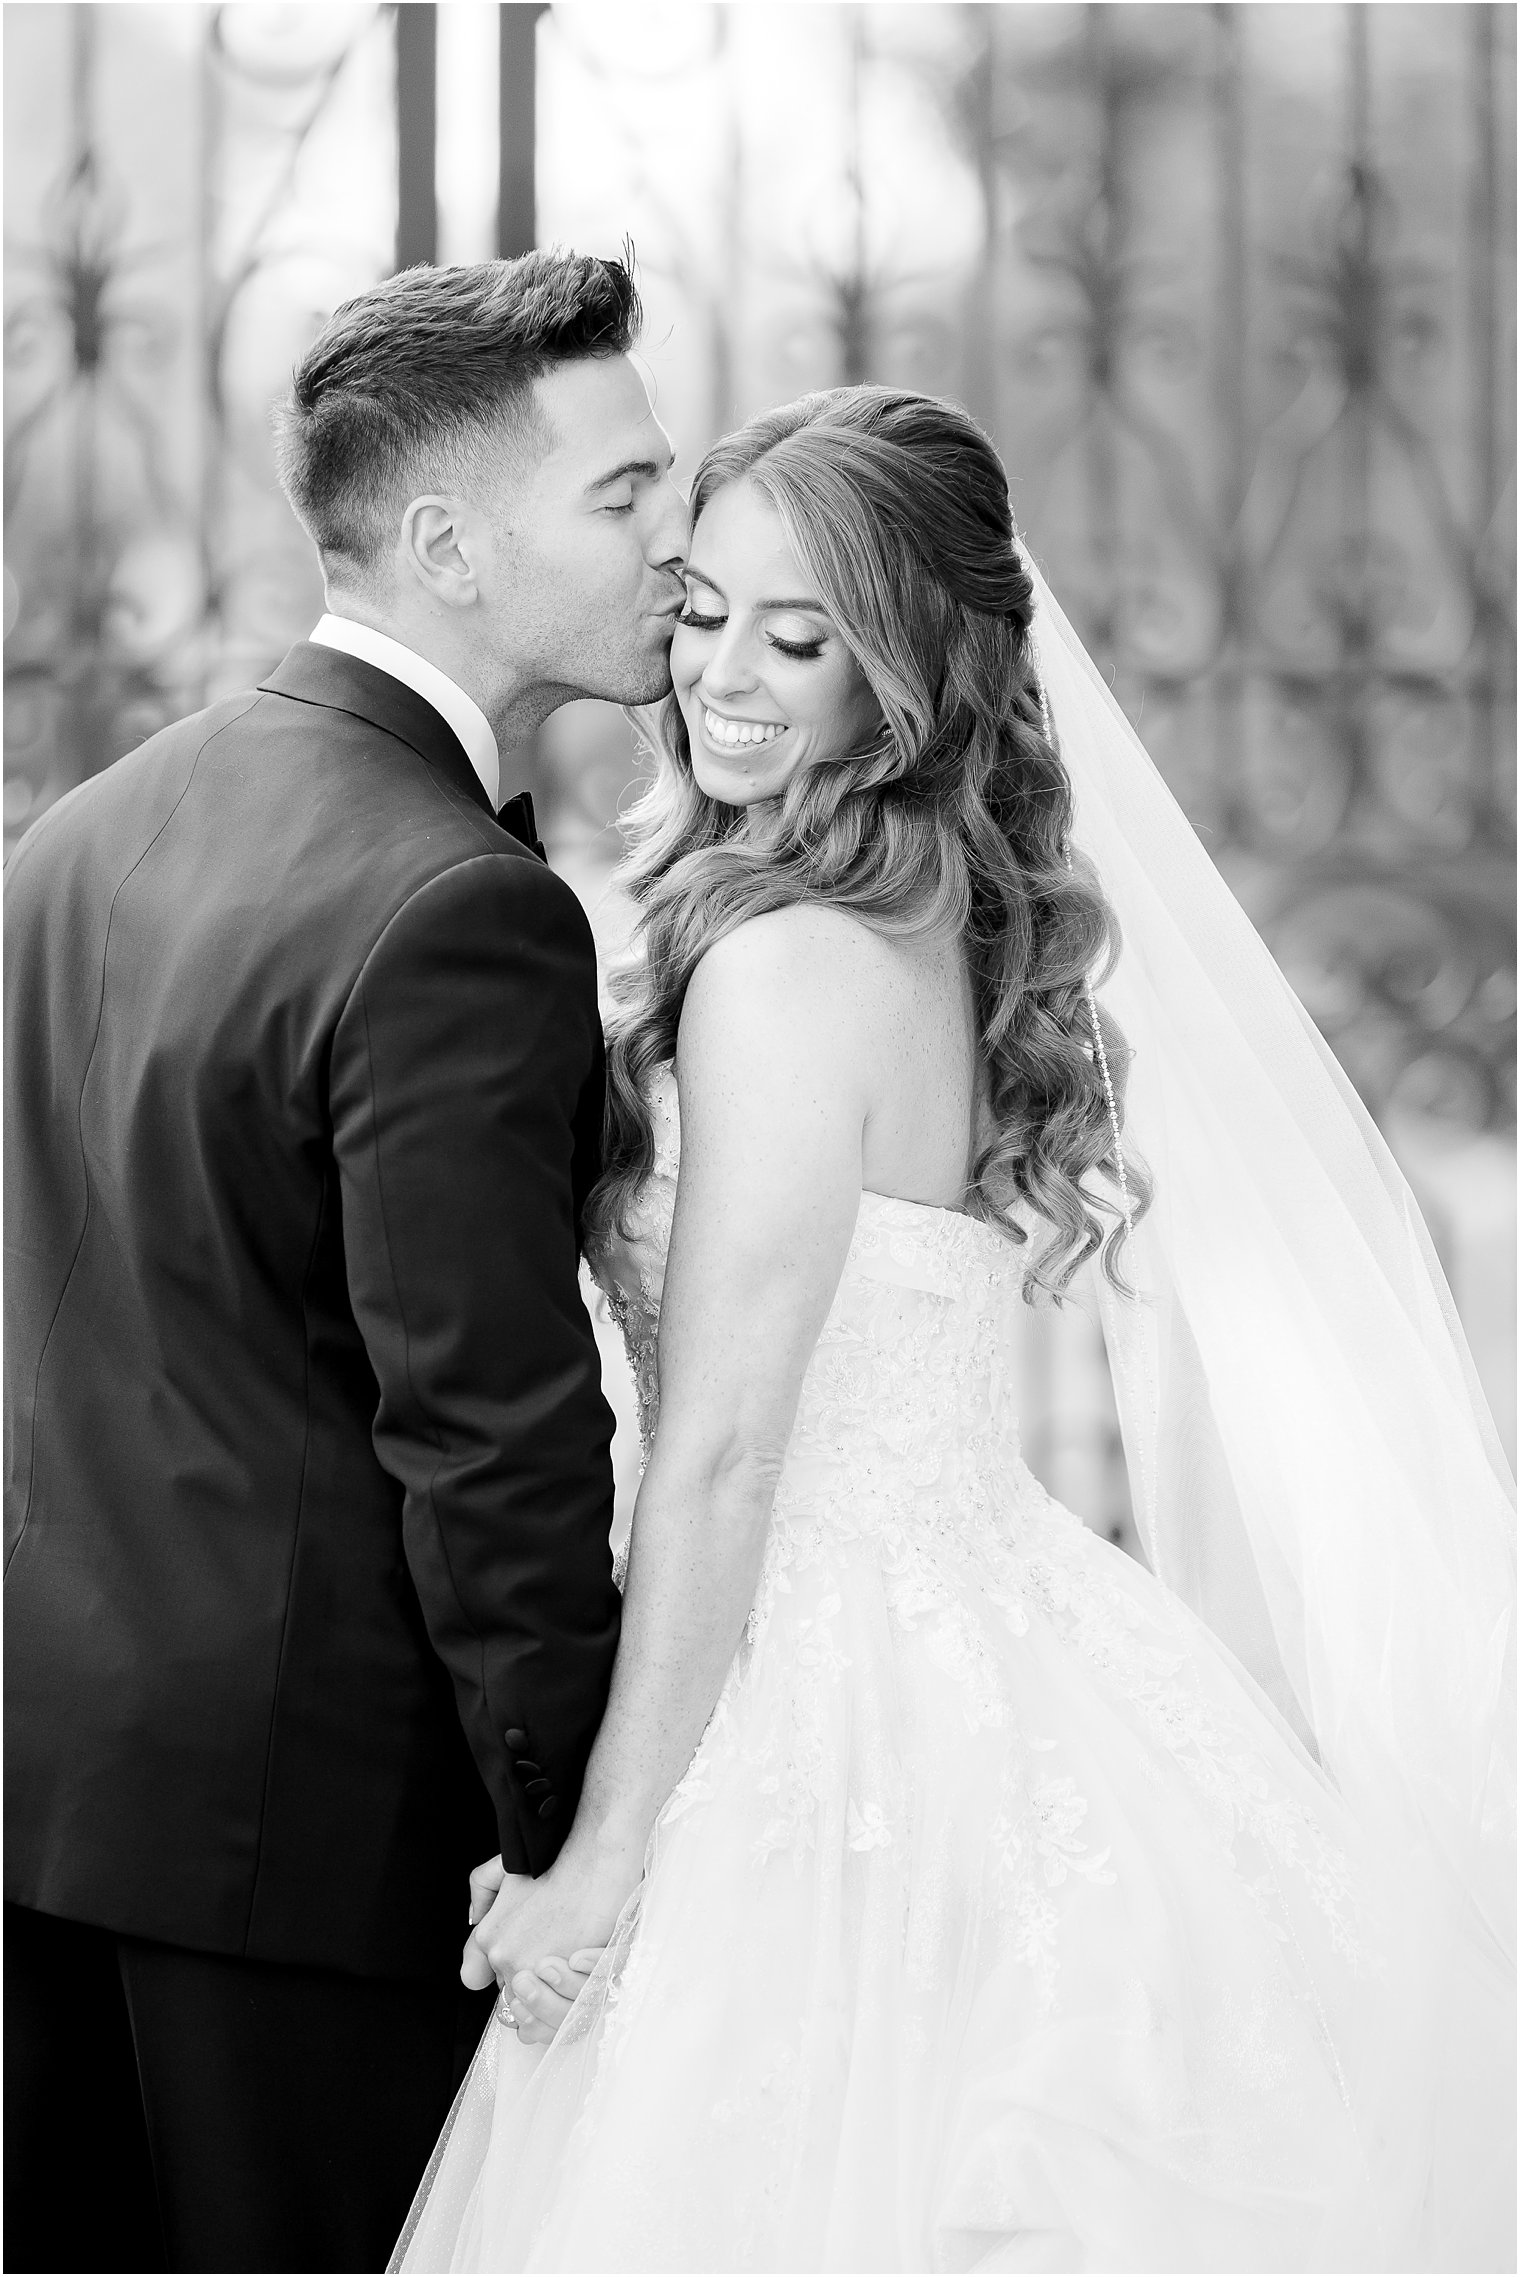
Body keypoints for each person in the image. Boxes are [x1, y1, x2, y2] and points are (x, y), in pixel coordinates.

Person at [398, 387, 1515, 2273]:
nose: (724, 675)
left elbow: (733, 1451)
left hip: (808, 1690)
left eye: (802, 636)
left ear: (906, 671)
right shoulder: (922, 918)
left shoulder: (774, 966)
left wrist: (600, 1863)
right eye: (703, 611)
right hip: (998, 1621)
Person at [3, 249, 688, 2274]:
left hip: (49, 1799)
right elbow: (491, 1443)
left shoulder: (74, 837)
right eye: (625, 492)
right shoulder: (458, 907)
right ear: (450, 542)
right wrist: (577, 1840)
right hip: (320, 1865)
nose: (679, 532)